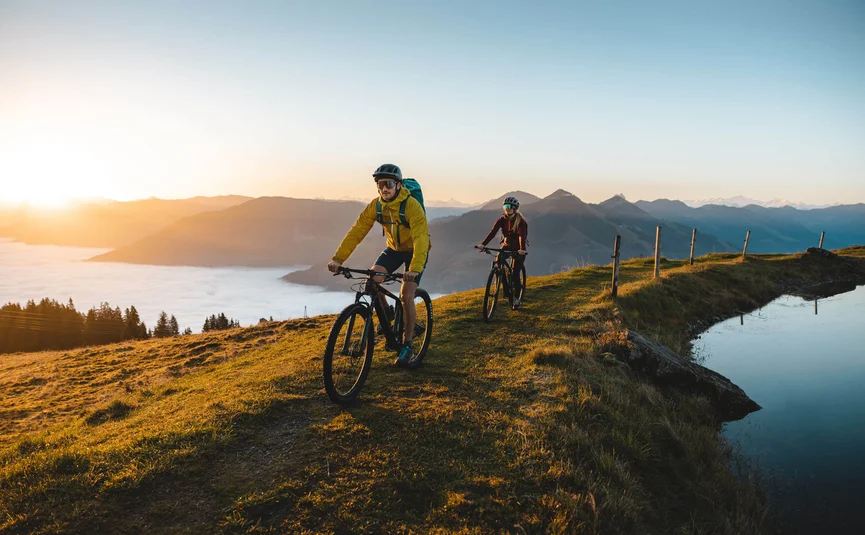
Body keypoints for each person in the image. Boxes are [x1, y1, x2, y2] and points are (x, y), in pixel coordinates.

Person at [328, 164, 430, 366]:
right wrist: (338, 259)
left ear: (399, 185)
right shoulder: (376, 206)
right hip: (393, 249)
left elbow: (420, 238)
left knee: (406, 296)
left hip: (415, 251)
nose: (384, 188)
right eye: (380, 184)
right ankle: (387, 314)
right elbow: (357, 232)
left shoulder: (411, 206)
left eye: (389, 184)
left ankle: (407, 345)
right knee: (371, 282)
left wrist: (415, 268)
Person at [476, 196, 528, 307]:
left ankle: (516, 299)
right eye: (505, 206)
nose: (507, 209)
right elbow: (492, 232)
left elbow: (521, 236)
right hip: (506, 246)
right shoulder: (501, 220)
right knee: (498, 262)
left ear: (515, 208)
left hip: (518, 249)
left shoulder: (521, 222)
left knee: (514, 274)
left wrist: (522, 249)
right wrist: (483, 244)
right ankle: (505, 288)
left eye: (510, 207)